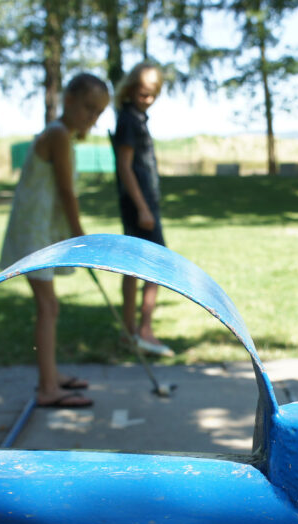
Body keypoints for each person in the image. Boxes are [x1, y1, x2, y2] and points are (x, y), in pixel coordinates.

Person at [0, 73, 111, 408]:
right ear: (69, 99)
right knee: (47, 307)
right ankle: (48, 388)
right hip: (34, 232)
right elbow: (66, 191)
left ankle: (51, 375)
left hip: (39, 230)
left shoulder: (62, 135)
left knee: (50, 306)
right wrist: (80, 235)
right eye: (88, 108)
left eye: (98, 113)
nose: (91, 117)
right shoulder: (59, 134)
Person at [114, 61, 174, 357]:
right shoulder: (128, 120)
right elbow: (125, 168)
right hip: (140, 208)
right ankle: (142, 330)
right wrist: (142, 208)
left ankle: (130, 332)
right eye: (142, 93)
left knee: (136, 268)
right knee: (156, 266)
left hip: (145, 205)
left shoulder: (135, 118)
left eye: (153, 94)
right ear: (130, 89)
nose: (147, 99)